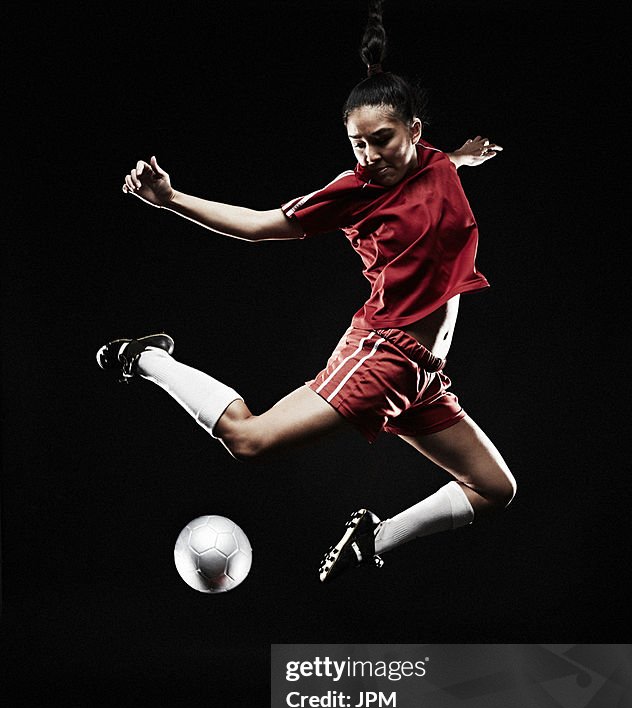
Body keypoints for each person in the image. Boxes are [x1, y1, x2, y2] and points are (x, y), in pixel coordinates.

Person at [97, 0, 516, 582]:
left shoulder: (435, 161)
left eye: (381, 140)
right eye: (357, 144)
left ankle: (372, 540)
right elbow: (258, 224)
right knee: (250, 439)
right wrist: (171, 199)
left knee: (495, 489)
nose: (369, 156)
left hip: (424, 373)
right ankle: (143, 357)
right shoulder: (356, 190)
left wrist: (466, 157)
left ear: (415, 132)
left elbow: (437, 169)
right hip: (384, 353)